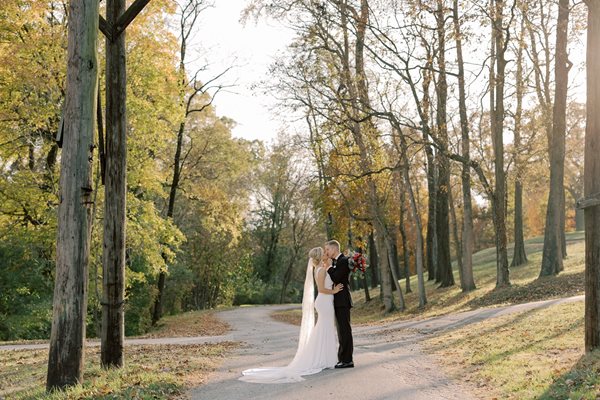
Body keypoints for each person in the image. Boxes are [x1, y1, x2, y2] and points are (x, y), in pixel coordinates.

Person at [239, 246, 343, 383]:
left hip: (324, 302)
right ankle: (323, 359)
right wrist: (334, 291)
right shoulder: (322, 270)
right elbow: (322, 289)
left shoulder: (321, 268)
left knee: (325, 328)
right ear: (319, 256)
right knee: (325, 328)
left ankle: (324, 358)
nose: (326, 253)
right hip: (325, 301)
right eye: (324, 253)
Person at [325, 240, 354, 368]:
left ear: (334, 249)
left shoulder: (343, 260)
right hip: (338, 300)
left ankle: (348, 360)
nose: (327, 252)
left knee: (345, 330)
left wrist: (329, 267)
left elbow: (336, 277)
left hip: (342, 300)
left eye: (328, 250)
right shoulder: (337, 261)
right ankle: (342, 358)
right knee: (341, 331)